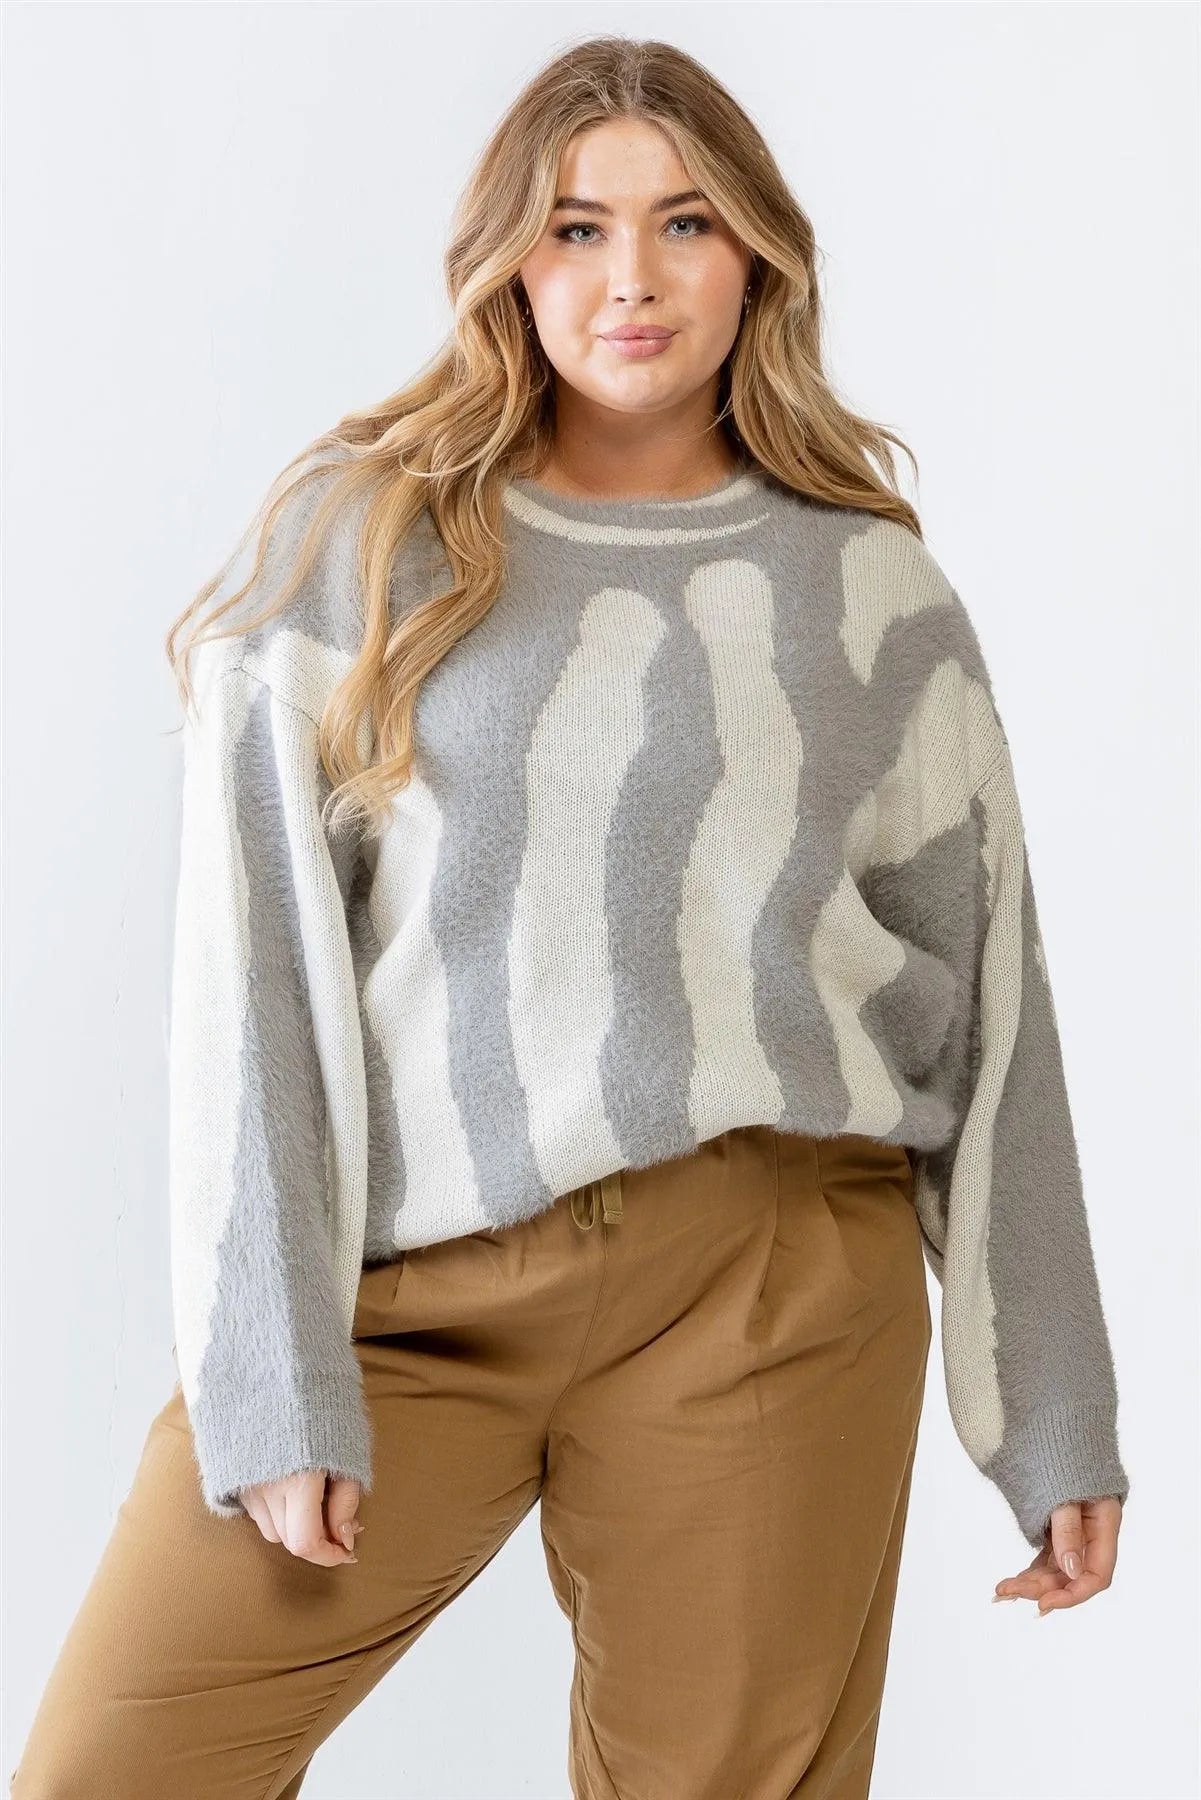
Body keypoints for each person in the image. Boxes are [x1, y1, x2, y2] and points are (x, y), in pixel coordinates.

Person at [9, 34, 1129, 1800]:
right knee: (114, 1770)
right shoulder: (355, 550)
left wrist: (1051, 1406)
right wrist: (275, 1377)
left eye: (684, 223)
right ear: (506, 266)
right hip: (414, 1295)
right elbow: (256, 991)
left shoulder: (871, 590)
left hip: (768, 1284)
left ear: (755, 256)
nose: (631, 280)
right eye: (575, 228)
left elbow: (993, 1019)